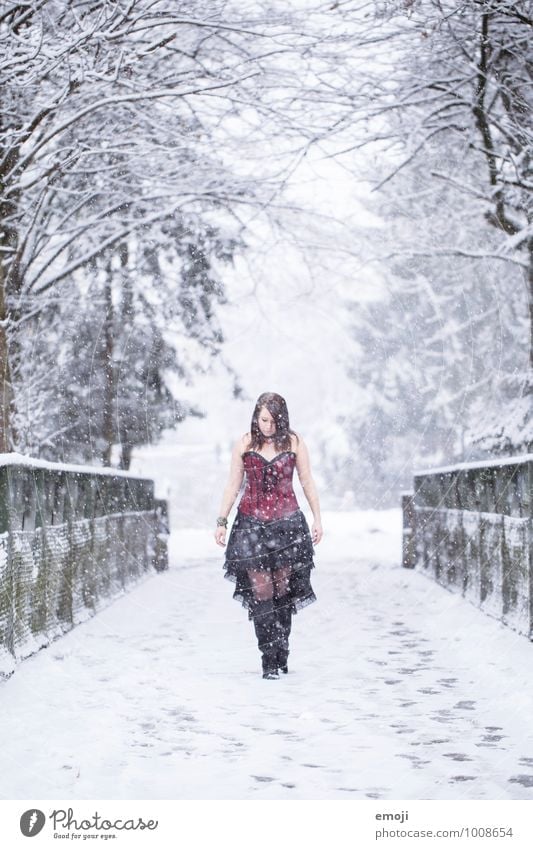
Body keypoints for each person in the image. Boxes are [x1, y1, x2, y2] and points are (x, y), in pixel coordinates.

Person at [214, 392, 323, 679]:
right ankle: (269, 659)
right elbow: (232, 485)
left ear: (282, 419)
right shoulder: (245, 443)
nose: (268, 426)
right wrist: (222, 520)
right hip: (251, 525)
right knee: (261, 590)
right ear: (256, 417)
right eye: (263, 420)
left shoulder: (295, 443)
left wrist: (317, 518)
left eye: (274, 421)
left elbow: (307, 481)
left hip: (287, 525)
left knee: (282, 591)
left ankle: (281, 648)